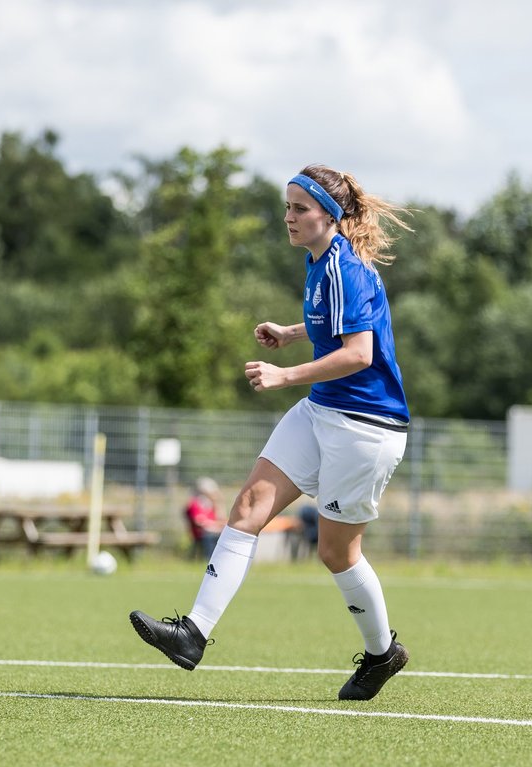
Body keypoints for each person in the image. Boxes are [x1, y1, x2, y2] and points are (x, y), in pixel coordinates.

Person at [130, 165, 414, 701]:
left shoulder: (344, 269)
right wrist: (290, 333)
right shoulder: (319, 264)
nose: (288, 217)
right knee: (248, 508)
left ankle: (383, 655)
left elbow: (359, 353)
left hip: (366, 428)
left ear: (327, 216)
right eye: (286, 207)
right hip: (321, 411)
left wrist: (285, 375)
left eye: (299, 208)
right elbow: (333, 324)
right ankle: (193, 634)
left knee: (336, 553)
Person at [184, 477, 225, 560]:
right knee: (210, 536)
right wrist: (216, 525)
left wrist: (219, 504)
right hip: (202, 533)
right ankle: (209, 559)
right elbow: (199, 522)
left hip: (213, 531)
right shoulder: (195, 504)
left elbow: (221, 519)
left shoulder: (211, 505)